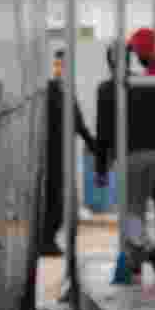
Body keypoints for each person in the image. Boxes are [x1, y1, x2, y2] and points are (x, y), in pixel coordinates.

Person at [95, 36, 155, 276]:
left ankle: (149, 252)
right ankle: (136, 260)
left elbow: (103, 132)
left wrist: (101, 169)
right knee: (140, 209)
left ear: (109, 61)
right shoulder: (147, 82)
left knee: (131, 212)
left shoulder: (106, 89)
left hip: (131, 157)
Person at [41, 49, 95, 256]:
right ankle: (46, 240)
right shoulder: (51, 89)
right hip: (50, 153)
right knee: (53, 198)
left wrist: (92, 144)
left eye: (63, 65)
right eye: (57, 65)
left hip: (62, 152)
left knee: (59, 198)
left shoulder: (66, 91)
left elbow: (78, 122)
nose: (60, 69)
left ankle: (49, 239)